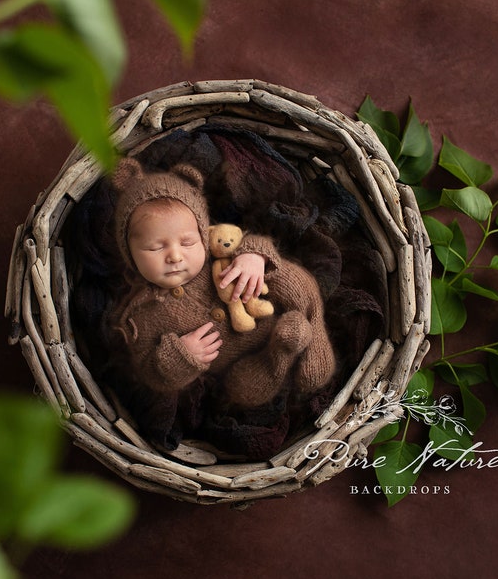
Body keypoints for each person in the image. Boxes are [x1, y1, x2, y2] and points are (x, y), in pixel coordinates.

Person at [109, 157, 336, 411]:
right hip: (246, 362)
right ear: (130, 254)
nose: (174, 255)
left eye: (187, 243)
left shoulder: (215, 255)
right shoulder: (141, 315)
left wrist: (253, 257)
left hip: (271, 307)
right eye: (156, 247)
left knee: (289, 277)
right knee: (241, 389)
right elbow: (149, 371)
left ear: (203, 236)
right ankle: (281, 354)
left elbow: (244, 240)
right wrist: (180, 356)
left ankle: (313, 325)